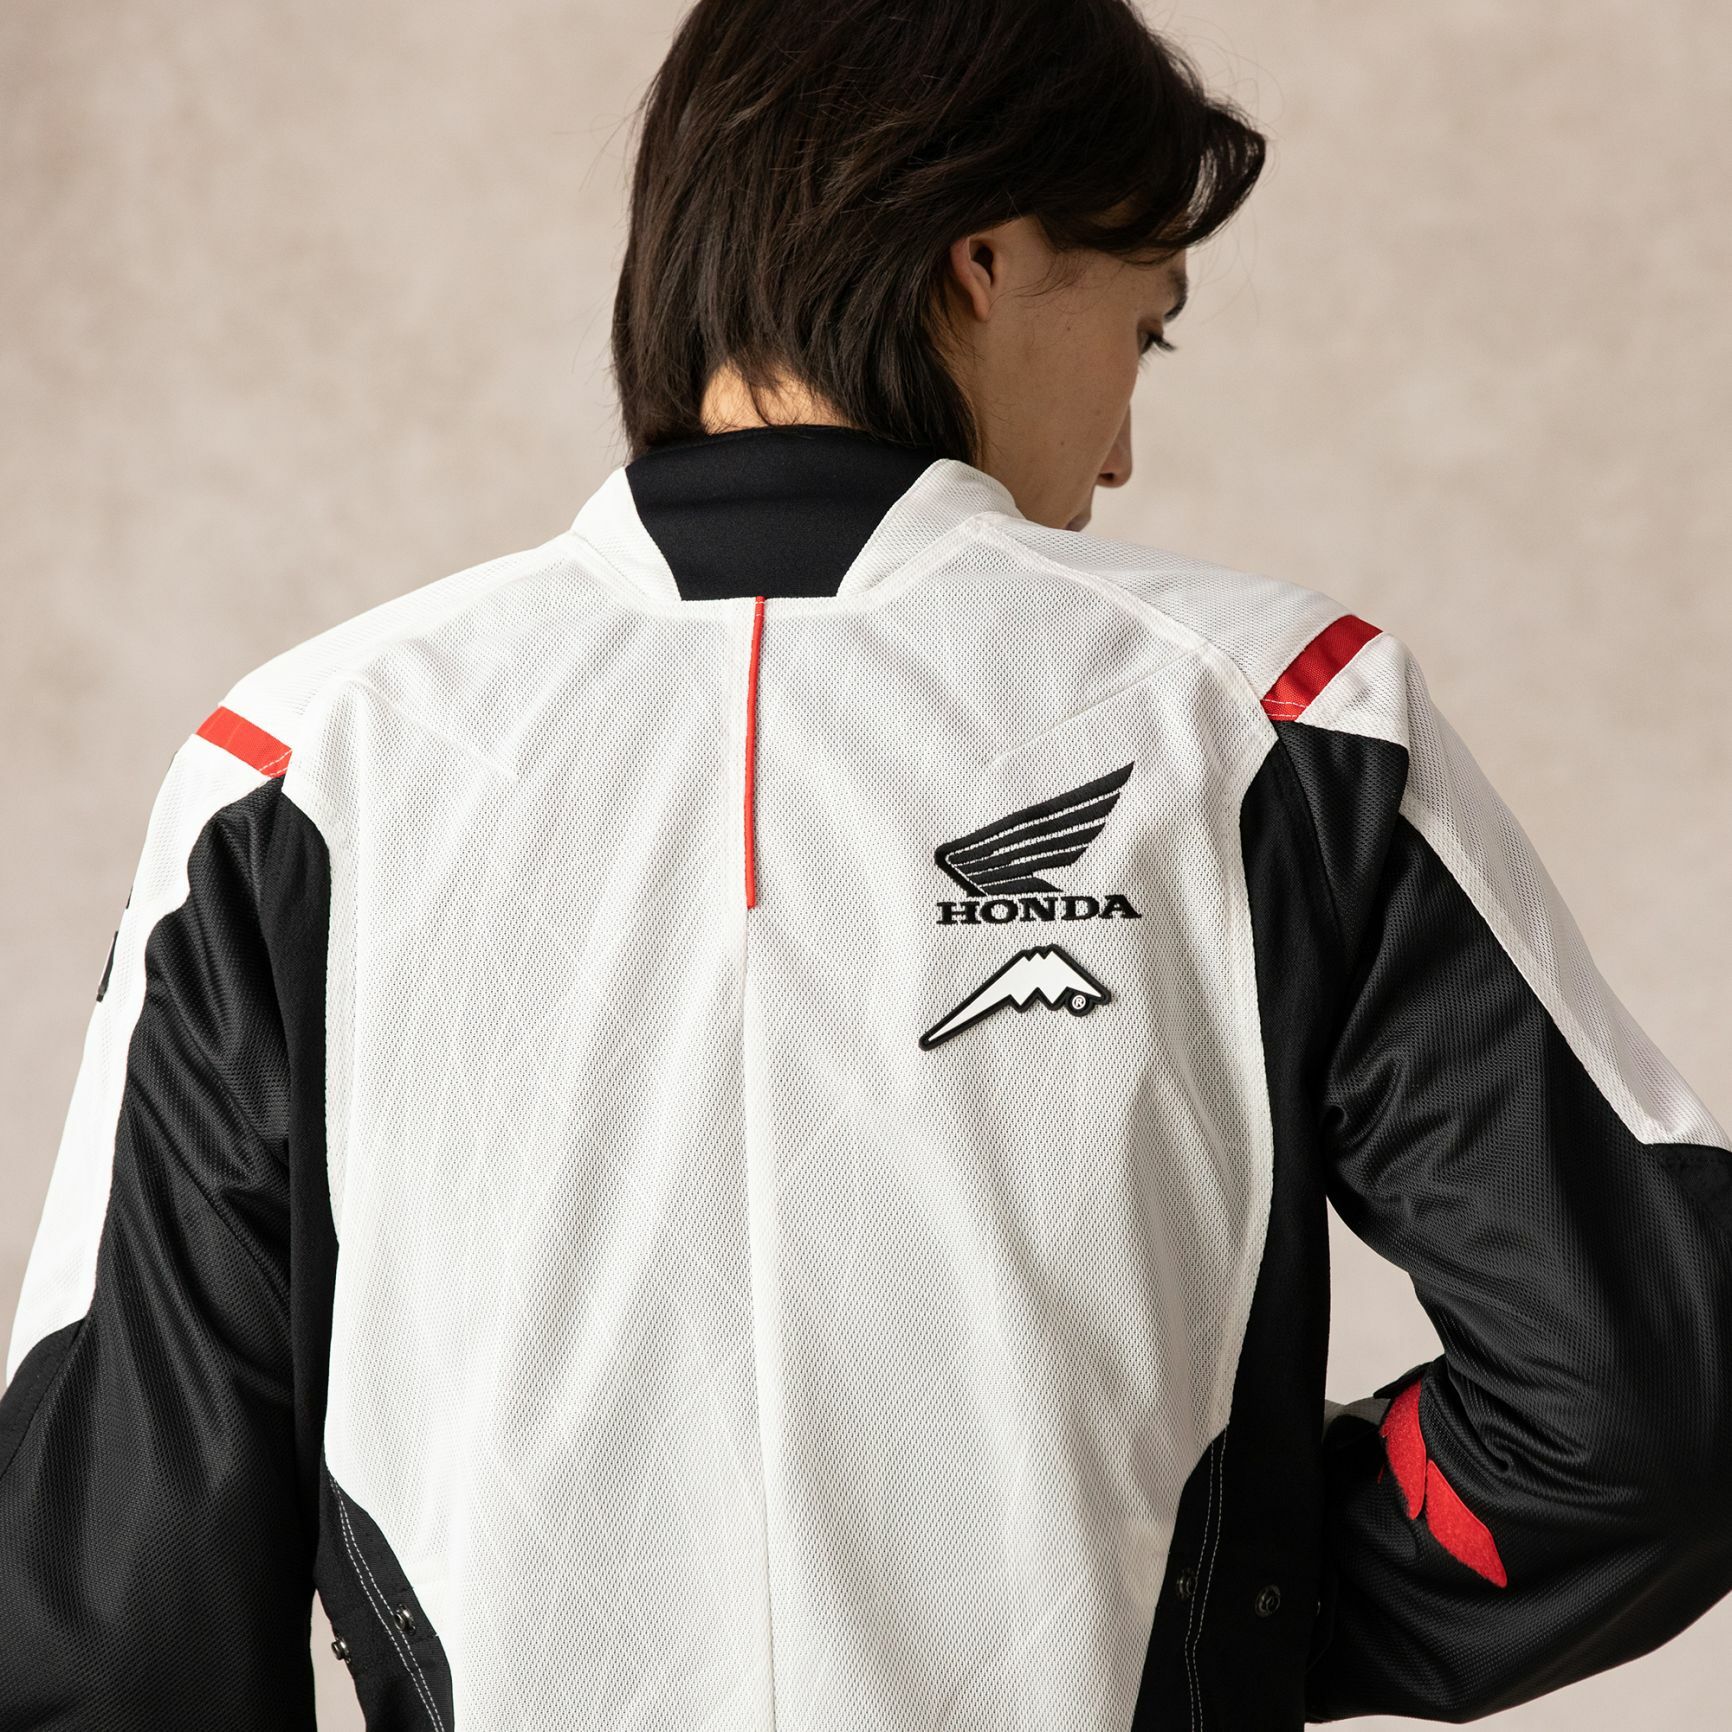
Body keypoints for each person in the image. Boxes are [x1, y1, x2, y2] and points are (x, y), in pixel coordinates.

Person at [3, 0, 1729, 1725]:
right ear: (986, 260)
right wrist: (1219, 1606)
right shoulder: (1273, 722)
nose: (1122, 451)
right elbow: (1657, 1400)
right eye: (1145, 329)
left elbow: (111, 1593)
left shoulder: (295, 773)